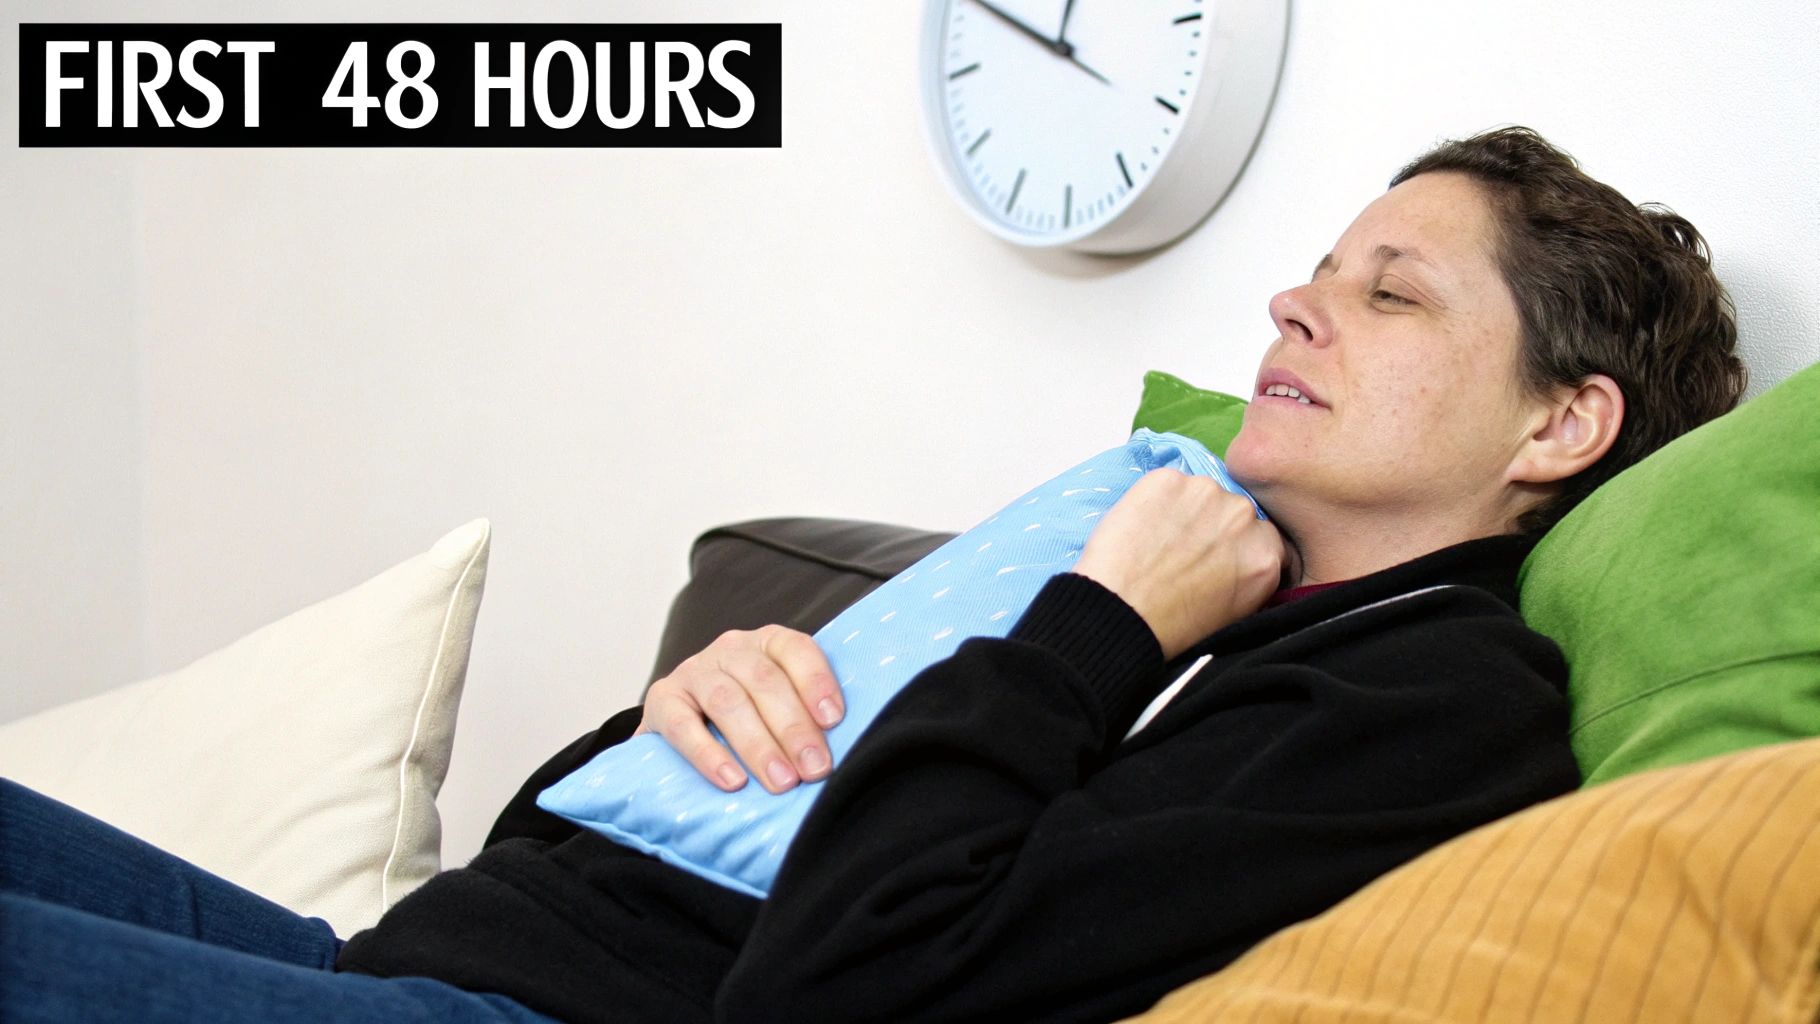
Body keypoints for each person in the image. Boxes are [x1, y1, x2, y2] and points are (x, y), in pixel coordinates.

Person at [1, 126, 1747, 1023]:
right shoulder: (1172, 569)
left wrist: (1099, 628)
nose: (1297, 304)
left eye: (1393, 293)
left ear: (1561, 425)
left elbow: (845, 991)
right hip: (392, 952)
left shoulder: (1427, 703)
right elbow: (613, 836)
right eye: (1312, 269)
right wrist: (687, 709)